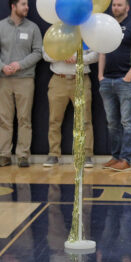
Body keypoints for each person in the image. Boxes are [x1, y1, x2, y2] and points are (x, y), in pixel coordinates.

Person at [0, 0, 42, 167]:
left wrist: (20, 65)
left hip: (25, 79)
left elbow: (38, 52)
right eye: (23, 4)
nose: (27, 7)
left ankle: (23, 155)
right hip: (4, 79)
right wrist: (2, 66)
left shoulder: (33, 28)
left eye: (27, 4)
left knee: (24, 118)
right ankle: (4, 155)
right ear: (13, 6)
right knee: (5, 118)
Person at [96, 0, 131, 171]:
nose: (116, 8)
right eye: (114, 5)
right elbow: (102, 52)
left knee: (127, 122)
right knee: (112, 123)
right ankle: (116, 156)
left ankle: (126, 159)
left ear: (127, 8)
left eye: (119, 5)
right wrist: (100, 76)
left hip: (126, 83)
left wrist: (128, 78)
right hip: (106, 82)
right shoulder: (106, 27)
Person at [41, 32, 94, 167]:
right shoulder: (55, 32)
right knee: (54, 120)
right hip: (59, 79)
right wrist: (62, 55)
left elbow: (96, 54)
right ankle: (53, 154)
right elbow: (45, 55)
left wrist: (78, 58)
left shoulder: (86, 32)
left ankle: (86, 155)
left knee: (85, 120)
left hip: (81, 79)